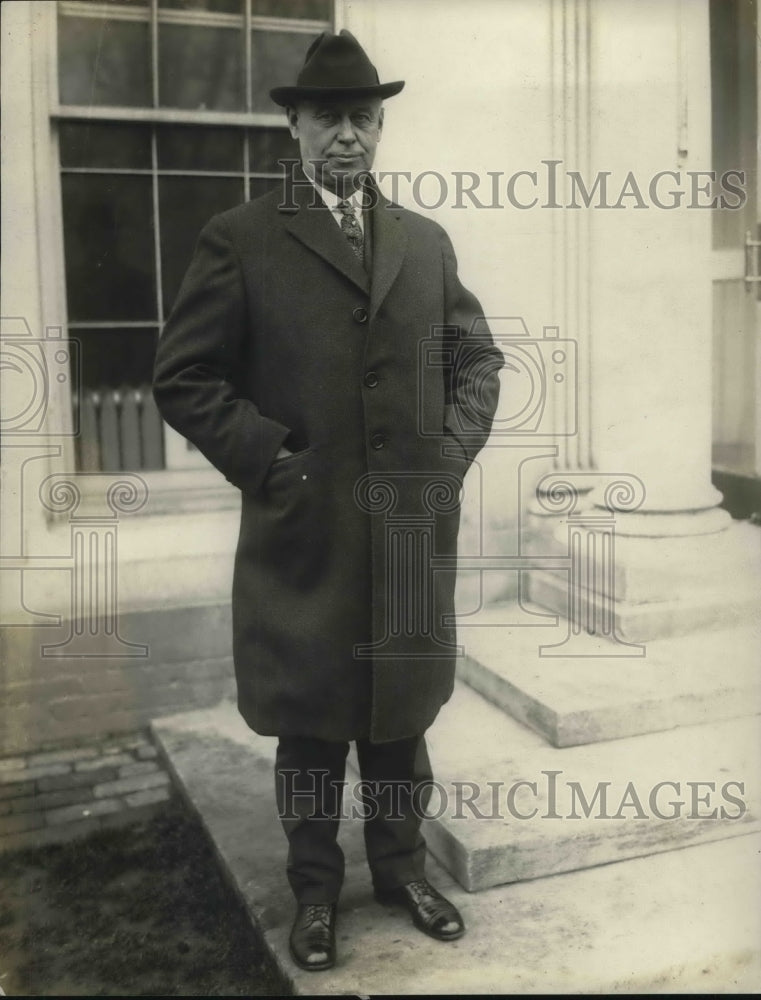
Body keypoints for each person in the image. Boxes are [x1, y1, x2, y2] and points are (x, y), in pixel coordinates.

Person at [153, 29, 503, 973]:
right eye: (326, 118)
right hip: (302, 531)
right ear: (294, 126)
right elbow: (183, 377)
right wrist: (274, 462)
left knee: (400, 716)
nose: (345, 136)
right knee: (309, 724)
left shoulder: (424, 242)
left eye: (361, 118)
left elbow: (475, 360)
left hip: (404, 533)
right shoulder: (242, 238)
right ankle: (315, 893)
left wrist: (447, 456)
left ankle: (399, 872)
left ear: (379, 127)